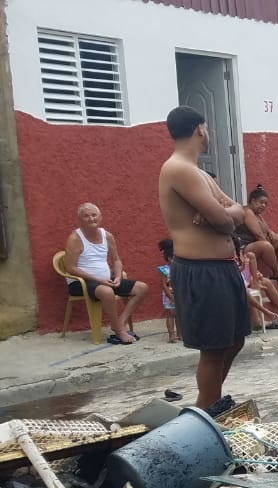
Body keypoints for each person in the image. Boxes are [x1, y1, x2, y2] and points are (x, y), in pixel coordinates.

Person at [158, 106, 248, 410]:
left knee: (235, 340)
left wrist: (224, 213)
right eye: (207, 129)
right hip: (201, 269)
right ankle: (206, 412)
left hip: (222, 267)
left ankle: (207, 403)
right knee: (213, 348)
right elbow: (224, 221)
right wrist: (224, 215)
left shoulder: (198, 172)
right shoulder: (178, 169)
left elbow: (238, 211)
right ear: (200, 129)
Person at [63, 203, 150, 345]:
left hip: (105, 280)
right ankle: (120, 331)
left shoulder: (107, 236)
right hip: (81, 282)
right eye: (86, 216)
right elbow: (70, 268)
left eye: (94, 215)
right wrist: (98, 279)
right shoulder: (75, 238)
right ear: (80, 220)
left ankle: (118, 324)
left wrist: (117, 276)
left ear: (100, 217)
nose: (91, 219)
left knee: (142, 288)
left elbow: (116, 260)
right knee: (107, 292)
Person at [236, 184, 278, 282]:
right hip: (244, 248)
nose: (263, 205)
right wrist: (270, 247)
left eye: (265, 203)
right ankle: (277, 273)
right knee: (266, 245)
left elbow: (266, 228)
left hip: (255, 243)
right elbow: (258, 235)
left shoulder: (257, 214)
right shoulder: (248, 212)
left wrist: (270, 232)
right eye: (261, 202)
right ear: (253, 201)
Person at [157, 239, 179, 343]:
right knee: (171, 314)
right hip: (169, 295)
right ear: (169, 258)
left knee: (180, 316)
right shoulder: (164, 270)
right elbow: (164, 285)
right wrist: (171, 296)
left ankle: (181, 334)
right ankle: (171, 335)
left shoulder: (181, 269)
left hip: (180, 295)